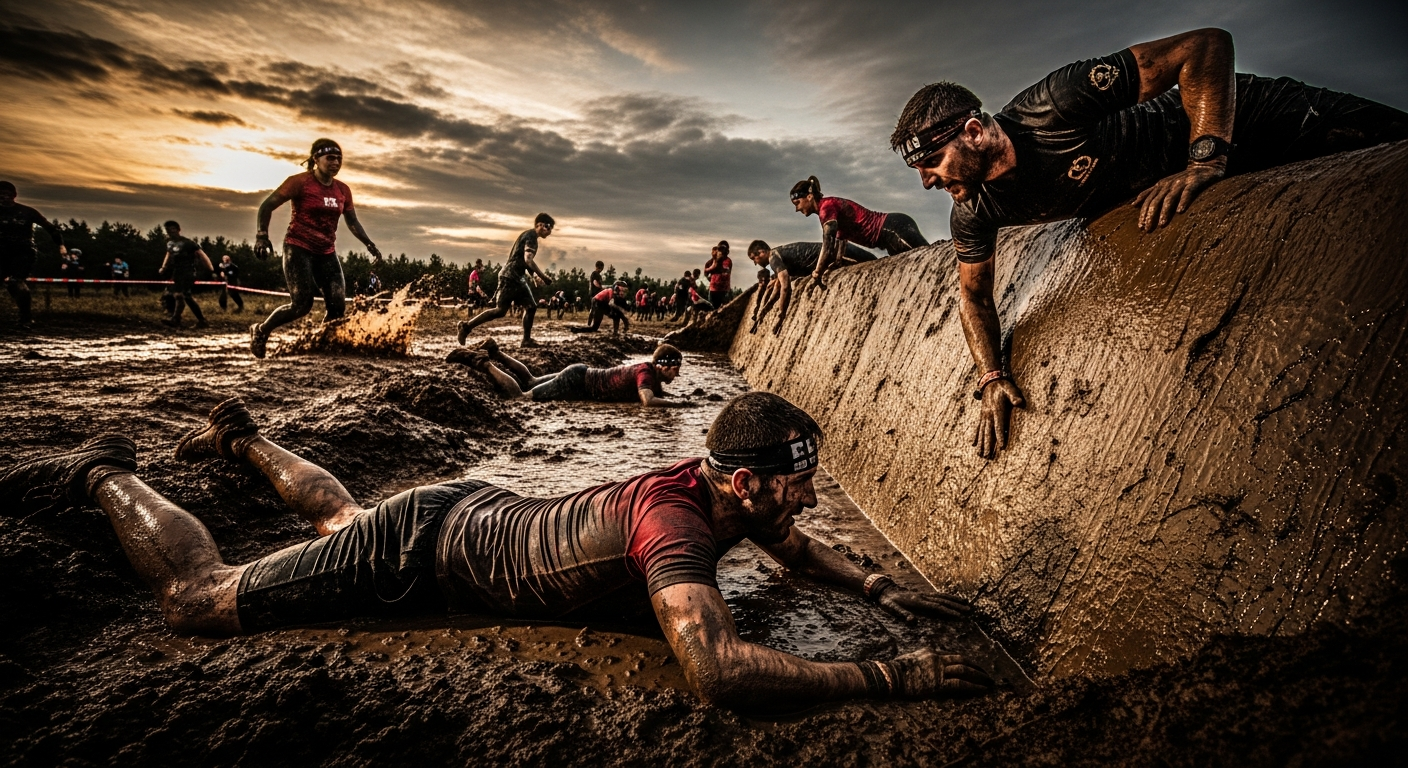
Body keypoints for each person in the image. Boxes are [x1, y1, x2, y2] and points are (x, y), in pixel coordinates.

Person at [0, 393, 990, 709]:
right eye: (792, 481)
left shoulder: (729, 498)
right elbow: (715, 668)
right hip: (426, 544)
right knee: (197, 599)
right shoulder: (675, 526)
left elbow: (793, 543)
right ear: (740, 481)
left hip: (470, 512)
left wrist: (875, 584)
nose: (806, 498)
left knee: (338, 524)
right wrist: (890, 674)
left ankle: (241, 437)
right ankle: (103, 474)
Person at [891, 27, 1408, 460]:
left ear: (976, 132)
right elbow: (975, 296)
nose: (927, 183)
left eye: (931, 165)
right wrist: (990, 375)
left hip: (1248, 116)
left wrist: (1204, 161)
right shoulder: (975, 210)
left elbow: (1205, 47)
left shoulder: (1054, 104)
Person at [249, 138, 383, 359]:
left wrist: (369, 244)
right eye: (330, 158)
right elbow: (267, 205)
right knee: (302, 305)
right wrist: (262, 236)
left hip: (326, 252)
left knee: (338, 305)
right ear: (315, 159)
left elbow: (352, 221)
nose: (336, 162)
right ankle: (261, 331)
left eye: (339, 158)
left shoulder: (343, 190)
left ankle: (322, 345)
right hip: (298, 247)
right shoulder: (300, 182)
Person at [454, 340, 695, 409]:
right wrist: (680, 405)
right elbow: (648, 401)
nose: (678, 373)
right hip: (577, 381)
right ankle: (484, 363)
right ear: (663, 365)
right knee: (521, 396)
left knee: (531, 381)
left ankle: (496, 352)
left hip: (580, 373)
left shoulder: (649, 372)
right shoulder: (645, 373)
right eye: (676, 368)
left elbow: (656, 395)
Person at [788, 176, 928, 291]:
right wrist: (837, 262)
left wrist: (817, 272)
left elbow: (827, 244)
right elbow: (840, 241)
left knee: (926, 261)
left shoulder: (826, 207)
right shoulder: (826, 211)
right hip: (888, 236)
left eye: (797, 203)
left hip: (893, 228)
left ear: (810, 197)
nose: (797, 209)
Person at [456, 214, 554, 348]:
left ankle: (526, 340)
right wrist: (543, 277)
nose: (550, 232)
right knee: (500, 310)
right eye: (549, 228)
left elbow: (524, 261)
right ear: (541, 225)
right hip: (510, 277)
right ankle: (466, 327)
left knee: (531, 307)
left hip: (518, 278)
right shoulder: (531, 237)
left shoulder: (528, 235)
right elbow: (528, 260)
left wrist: (534, 277)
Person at [746, 240, 875, 335]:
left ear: (762, 252)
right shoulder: (777, 256)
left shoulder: (773, 258)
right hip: (835, 252)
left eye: (754, 258)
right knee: (871, 260)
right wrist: (763, 311)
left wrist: (781, 315)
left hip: (837, 252)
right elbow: (778, 288)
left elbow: (786, 287)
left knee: (871, 261)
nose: (755, 263)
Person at [0, 181, 66, 329]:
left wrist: (61, 245)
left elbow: (50, 228)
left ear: (13, 196)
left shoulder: (27, 212)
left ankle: (26, 319)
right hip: (2, 251)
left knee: (16, 282)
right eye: (0, 195)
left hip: (23, 251)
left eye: (6, 195)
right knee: (10, 284)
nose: (2, 198)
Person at [157, 221, 214, 329]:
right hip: (177, 272)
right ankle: (201, 320)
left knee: (180, 295)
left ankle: (176, 319)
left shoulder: (188, 243)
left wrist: (210, 268)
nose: (170, 231)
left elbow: (201, 254)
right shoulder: (170, 243)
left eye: (173, 229)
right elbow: (168, 254)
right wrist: (163, 267)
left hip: (188, 272)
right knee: (185, 297)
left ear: (178, 229)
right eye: (168, 230)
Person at [705, 240, 733, 308]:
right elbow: (706, 272)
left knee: (723, 309)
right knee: (712, 308)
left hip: (724, 290)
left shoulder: (728, 261)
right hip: (713, 289)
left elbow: (727, 272)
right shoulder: (711, 262)